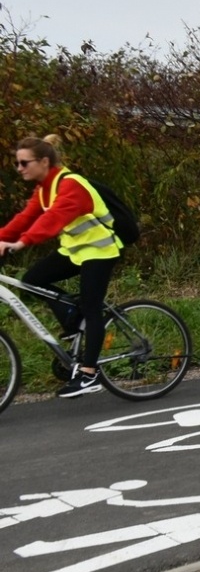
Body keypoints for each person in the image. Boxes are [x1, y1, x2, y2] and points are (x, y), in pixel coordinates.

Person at [0, 135, 124, 397]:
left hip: (100, 251)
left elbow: (55, 218)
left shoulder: (71, 185)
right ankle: (72, 317)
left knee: (91, 307)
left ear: (43, 161)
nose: (19, 168)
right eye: (17, 164)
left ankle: (89, 374)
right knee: (32, 279)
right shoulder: (45, 188)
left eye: (24, 163)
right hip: (75, 251)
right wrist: (2, 238)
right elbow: (25, 218)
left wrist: (21, 243)